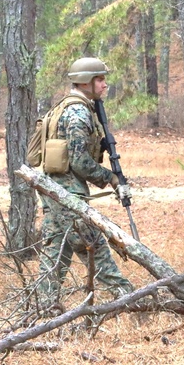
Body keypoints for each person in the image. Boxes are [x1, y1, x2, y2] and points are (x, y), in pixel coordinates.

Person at [35, 57, 135, 315]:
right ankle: (131, 301)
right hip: (67, 192)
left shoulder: (70, 107)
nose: (104, 84)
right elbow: (79, 162)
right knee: (95, 246)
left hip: (54, 189)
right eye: (99, 79)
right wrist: (111, 178)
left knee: (55, 253)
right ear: (85, 81)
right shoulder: (78, 112)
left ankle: (45, 312)